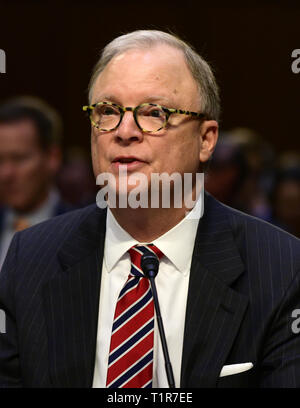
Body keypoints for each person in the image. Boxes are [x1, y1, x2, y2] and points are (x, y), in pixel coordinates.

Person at [1, 30, 300, 388]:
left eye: (154, 112)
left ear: (206, 140)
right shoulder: (30, 258)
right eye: (108, 111)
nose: (125, 131)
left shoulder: (281, 267)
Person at [0, 97, 72, 269]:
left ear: (52, 158)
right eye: (0, 160)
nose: (6, 173)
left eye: (19, 159)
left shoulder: (80, 231)